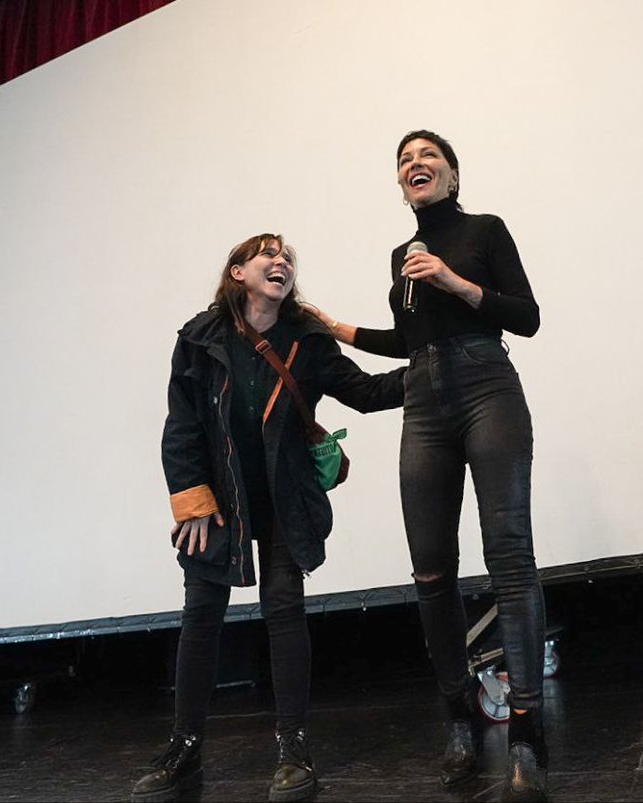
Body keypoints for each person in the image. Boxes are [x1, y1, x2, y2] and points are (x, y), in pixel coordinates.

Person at [307, 130, 548, 801]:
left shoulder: (484, 230)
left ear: (453, 175)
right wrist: (334, 327)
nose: (416, 164)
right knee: (431, 569)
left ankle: (528, 733)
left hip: (487, 389)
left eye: (428, 158)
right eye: (405, 160)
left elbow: (526, 317)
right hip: (425, 403)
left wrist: (455, 282)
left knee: (509, 554)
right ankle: (461, 718)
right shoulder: (399, 255)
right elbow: (409, 340)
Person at [132, 234, 405, 803]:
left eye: (287, 259)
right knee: (201, 615)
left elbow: (367, 391)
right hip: (217, 499)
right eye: (267, 256)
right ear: (238, 272)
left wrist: (432, 365)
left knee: (285, 609)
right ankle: (184, 748)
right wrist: (192, 497)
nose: (281, 262)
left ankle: (293, 747)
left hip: (287, 495)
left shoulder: (307, 339)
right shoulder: (200, 337)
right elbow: (181, 424)